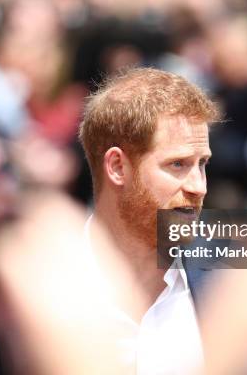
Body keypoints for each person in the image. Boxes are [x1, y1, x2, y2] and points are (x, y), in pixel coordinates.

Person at [77, 67, 220, 373]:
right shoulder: (26, 297)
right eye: (178, 164)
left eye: (202, 164)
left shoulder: (229, 281)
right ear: (117, 167)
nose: (199, 186)